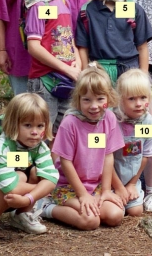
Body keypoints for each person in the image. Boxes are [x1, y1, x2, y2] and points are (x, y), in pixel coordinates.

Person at [40, 64, 125, 230]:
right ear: (78, 99)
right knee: (90, 221)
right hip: (68, 186)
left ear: (108, 98)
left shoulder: (109, 118)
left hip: (95, 185)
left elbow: (108, 156)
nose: (94, 106)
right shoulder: (70, 122)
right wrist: (83, 195)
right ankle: (47, 208)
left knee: (115, 215)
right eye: (87, 100)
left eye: (100, 99)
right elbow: (66, 162)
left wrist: (107, 190)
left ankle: (92, 201)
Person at [0, 93, 59, 243]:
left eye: (40, 126)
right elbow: (10, 188)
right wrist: (40, 187)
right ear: (13, 124)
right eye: (27, 125)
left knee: (34, 171)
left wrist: (27, 200)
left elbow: (51, 178)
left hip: (20, 196)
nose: (35, 132)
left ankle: (22, 214)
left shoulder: (39, 147)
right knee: (20, 176)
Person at [23, 0, 81, 135]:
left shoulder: (62, 2)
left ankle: (53, 165)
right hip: (45, 82)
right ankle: (29, 165)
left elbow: (68, 37)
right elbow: (34, 46)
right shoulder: (37, 4)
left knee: (61, 132)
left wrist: (77, 65)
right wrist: (66, 68)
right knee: (39, 132)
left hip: (67, 80)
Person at [111, 69, 152, 216]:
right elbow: (104, 158)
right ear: (120, 99)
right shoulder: (111, 120)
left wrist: (132, 184)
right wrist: (119, 187)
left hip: (131, 178)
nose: (138, 104)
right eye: (131, 99)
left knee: (135, 211)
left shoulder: (150, 122)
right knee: (116, 212)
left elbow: (145, 154)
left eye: (143, 98)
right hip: (108, 178)